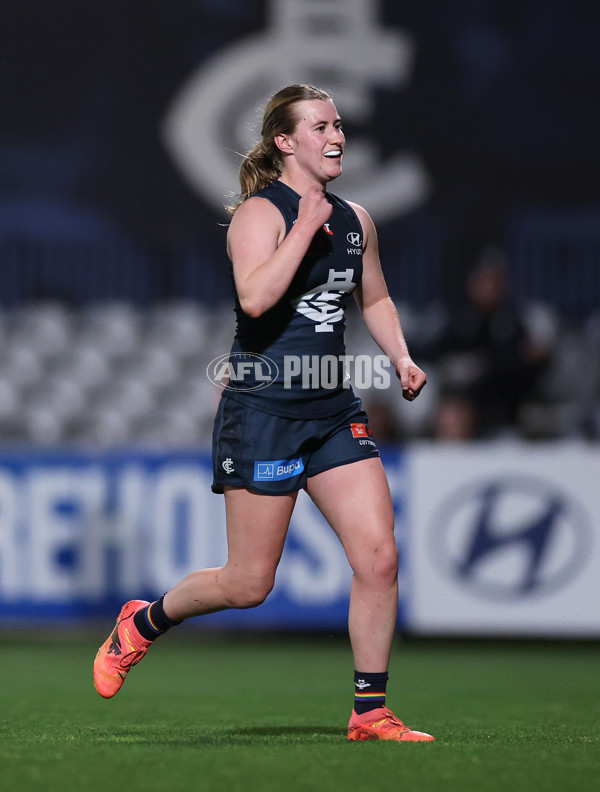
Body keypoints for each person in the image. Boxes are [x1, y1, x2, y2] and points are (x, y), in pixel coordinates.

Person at [93, 83, 434, 743]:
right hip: (264, 410)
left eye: (339, 125)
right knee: (249, 584)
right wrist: (303, 226)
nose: (337, 137)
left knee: (380, 558)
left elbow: (378, 298)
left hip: (333, 408)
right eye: (321, 127)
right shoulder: (262, 214)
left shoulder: (355, 218)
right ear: (285, 141)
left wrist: (401, 356)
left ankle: (370, 712)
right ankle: (142, 622)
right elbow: (255, 299)